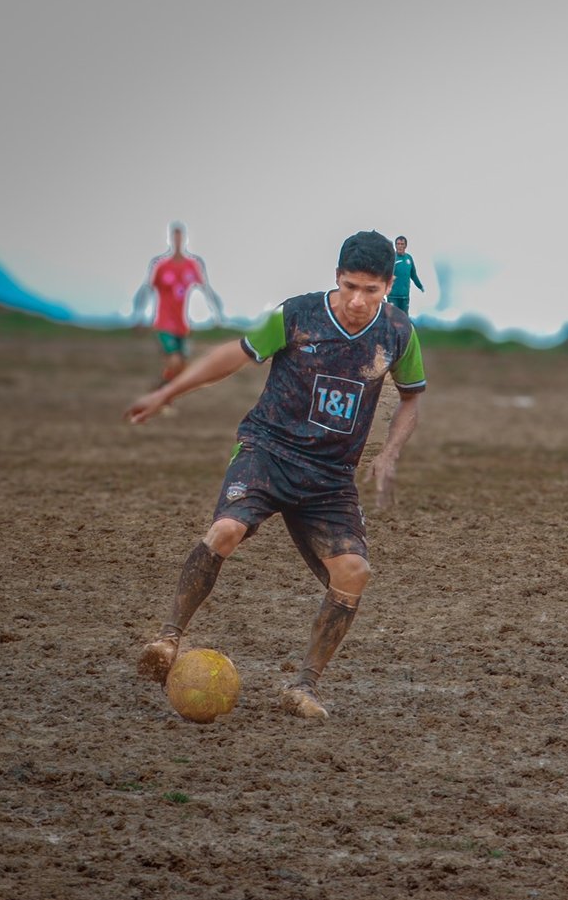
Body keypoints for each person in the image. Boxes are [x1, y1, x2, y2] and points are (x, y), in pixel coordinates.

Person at [126, 231, 427, 720]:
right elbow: (234, 355)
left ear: (389, 285)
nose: (356, 300)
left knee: (354, 572)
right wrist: (167, 394)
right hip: (268, 450)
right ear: (336, 277)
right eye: (349, 286)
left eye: (370, 291)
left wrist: (390, 451)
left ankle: (303, 686)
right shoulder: (297, 315)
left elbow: (412, 396)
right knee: (226, 530)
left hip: (330, 475)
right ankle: (167, 639)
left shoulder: (398, 333)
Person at [132, 221, 225, 384]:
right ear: (170, 239)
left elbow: (207, 290)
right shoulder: (160, 266)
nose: (177, 240)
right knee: (174, 360)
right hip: (163, 323)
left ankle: (162, 393)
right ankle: (162, 395)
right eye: (174, 237)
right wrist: (139, 317)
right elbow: (146, 290)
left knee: (181, 368)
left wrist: (217, 315)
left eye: (180, 237)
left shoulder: (192, 265)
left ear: (185, 239)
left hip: (182, 325)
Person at [388, 236, 426, 316]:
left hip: (405, 296)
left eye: (402, 244)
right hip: (393, 296)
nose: (400, 246)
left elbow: (413, 275)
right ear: (395, 245)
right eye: (398, 244)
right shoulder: (391, 258)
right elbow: (384, 275)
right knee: (392, 319)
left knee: (404, 320)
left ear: (405, 246)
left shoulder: (409, 258)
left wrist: (420, 286)